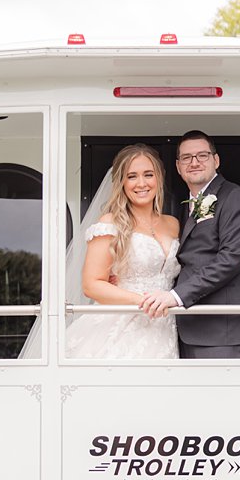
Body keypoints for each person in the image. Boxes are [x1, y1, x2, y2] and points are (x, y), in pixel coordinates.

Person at [140, 130, 240, 358]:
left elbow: (231, 258)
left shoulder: (234, 197)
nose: (194, 162)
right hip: (186, 328)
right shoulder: (183, 205)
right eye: (186, 157)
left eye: (202, 156)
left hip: (224, 332)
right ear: (178, 166)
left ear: (216, 160)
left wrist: (175, 296)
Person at [69, 143, 181, 359]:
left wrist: (238, 264)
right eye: (132, 176)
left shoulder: (173, 224)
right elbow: (91, 285)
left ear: (159, 178)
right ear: (121, 182)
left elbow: (191, 263)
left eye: (148, 174)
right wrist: (142, 301)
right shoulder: (110, 223)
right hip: (122, 326)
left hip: (165, 326)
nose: (141, 183)